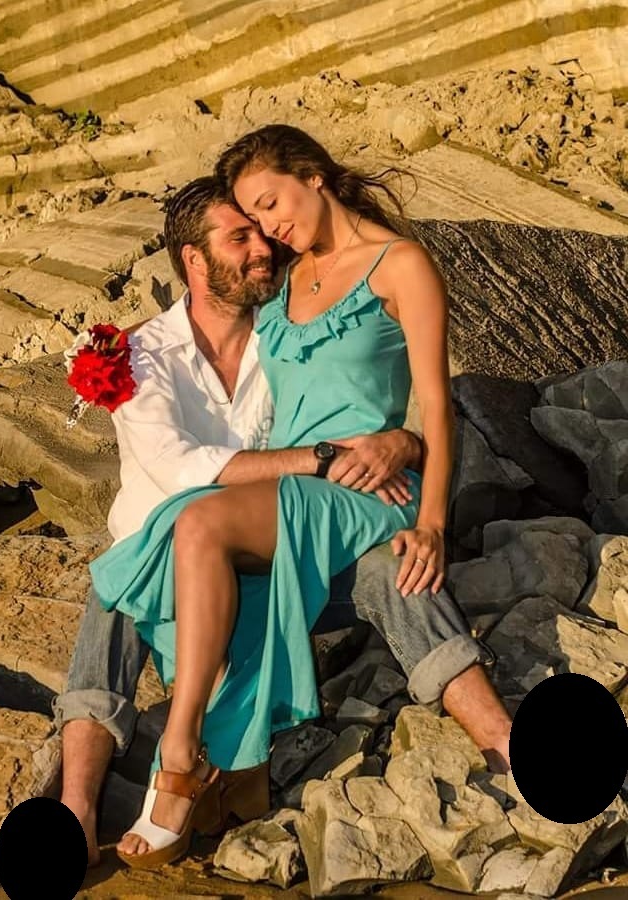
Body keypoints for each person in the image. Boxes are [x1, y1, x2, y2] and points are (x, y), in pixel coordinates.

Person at [57, 152, 511, 866]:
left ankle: (506, 745)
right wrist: (319, 458)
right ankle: (74, 814)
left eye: (264, 224)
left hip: (285, 540)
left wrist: (403, 443)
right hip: (177, 558)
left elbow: (371, 396)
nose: (264, 244)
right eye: (241, 234)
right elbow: (181, 469)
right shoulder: (139, 355)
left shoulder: (282, 328)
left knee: (392, 570)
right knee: (118, 580)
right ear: (194, 260)